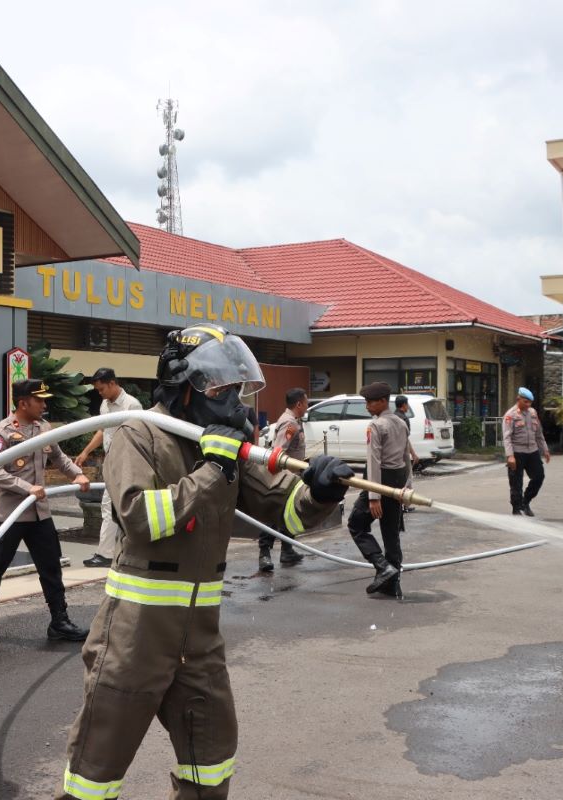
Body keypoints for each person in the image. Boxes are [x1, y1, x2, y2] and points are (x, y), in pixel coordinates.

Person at [58, 324, 353, 799]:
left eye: (237, 389)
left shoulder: (221, 444)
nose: (235, 402)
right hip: (135, 637)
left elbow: (285, 513)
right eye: (221, 388)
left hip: (200, 639)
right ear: (183, 389)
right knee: (96, 770)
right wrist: (214, 471)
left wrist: (319, 492)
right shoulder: (140, 434)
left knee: (213, 760)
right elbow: (139, 518)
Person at [0, 378, 92, 644]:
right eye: (39, 400)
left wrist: (77, 474)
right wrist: (26, 487)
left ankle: (59, 621)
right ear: (23, 403)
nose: (43, 404)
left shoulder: (44, 428)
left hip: (39, 513)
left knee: (51, 567)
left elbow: (59, 457)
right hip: (9, 514)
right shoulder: (1, 432)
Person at [346, 381, 412, 599]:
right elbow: (406, 459)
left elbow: (373, 461)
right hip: (397, 480)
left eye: (370, 402)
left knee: (356, 525)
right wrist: (407, 489)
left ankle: (383, 566)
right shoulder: (401, 423)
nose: (367, 406)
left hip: (379, 480)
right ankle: (393, 584)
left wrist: (373, 497)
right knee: (390, 533)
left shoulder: (376, 425)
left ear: (383, 401)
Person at [74, 367, 144, 567]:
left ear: (113, 383)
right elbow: (103, 430)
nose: (100, 393)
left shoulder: (132, 405)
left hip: (127, 464)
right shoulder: (105, 405)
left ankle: (109, 553)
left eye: (102, 388)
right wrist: (86, 451)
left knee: (118, 507)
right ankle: (109, 553)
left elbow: (138, 437)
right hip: (111, 462)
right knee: (111, 507)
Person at [256, 387, 310, 571]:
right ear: (299, 404)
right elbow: (279, 451)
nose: (307, 406)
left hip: (292, 477)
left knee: (289, 514)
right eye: (306, 402)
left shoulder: (293, 421)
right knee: (273, 514)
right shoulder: (290, 424)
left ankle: (287, 551)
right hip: (283, 478)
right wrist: (280, 477)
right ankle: (264, 553)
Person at [502, 387, 550, 516]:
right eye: (525, 402)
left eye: (530, 402)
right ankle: (516, 509)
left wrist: (545, 449)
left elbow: (539, 434)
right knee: (516, 483)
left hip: (532, 451)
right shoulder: (510, 415)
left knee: (539, 477)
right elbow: (507, 437)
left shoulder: (533, 413)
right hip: (517, 452)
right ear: (518, 399)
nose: (528, 405)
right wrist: (510, 456)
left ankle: (526, 501)